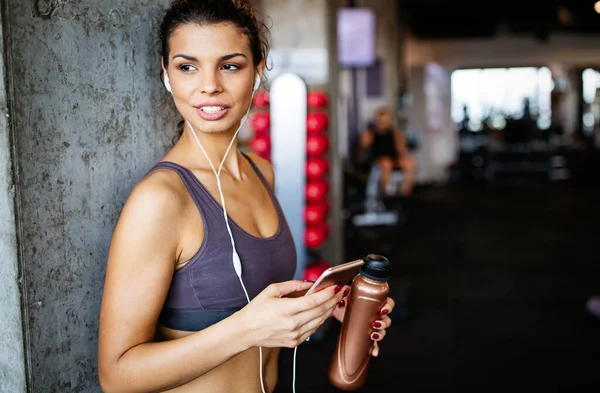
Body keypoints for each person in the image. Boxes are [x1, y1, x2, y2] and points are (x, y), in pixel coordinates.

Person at [97, 1, 395, 392]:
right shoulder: (161, 200)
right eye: (187, 66)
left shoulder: (261, 171)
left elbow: (247, 292)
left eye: (230, 65)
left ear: (258, 70)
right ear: (165, 74)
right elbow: (116, 377)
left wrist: (319, 303)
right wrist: (247, 329)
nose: (209, 85)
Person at [358, 107, 417, 197]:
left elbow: (402, 151)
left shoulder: (395, 134)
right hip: (379, 160)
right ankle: (386, 195)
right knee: (386, 163)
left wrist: (404, 153)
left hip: (394, 158)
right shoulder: (370, 134)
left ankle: (405, 194)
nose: (383, 123)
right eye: (381, 121)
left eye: (386, 121)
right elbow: (362, 152)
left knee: (410, 164)